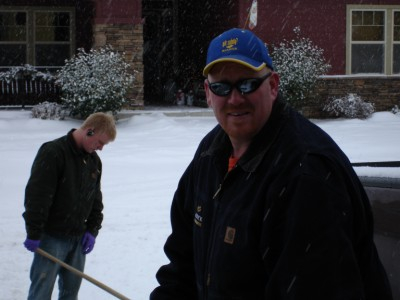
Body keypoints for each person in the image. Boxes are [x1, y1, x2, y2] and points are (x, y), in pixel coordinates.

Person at [150, 28, 393, 299]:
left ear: (273, 85)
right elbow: (183, 267)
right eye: (221, 87)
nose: (234, 98)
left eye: (247, 84)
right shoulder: (210, 153)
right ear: (208, 93)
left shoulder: (306, 174)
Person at [23, 112, 116, 299]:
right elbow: (37, 196)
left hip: (78, 238)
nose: (101, 148)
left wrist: (92, 229)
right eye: (100, 142)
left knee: (70, 293)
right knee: (41, 292)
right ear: (90, 131)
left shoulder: (93, 161)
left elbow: (95, 198)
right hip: (51, 238)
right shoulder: (53, 152)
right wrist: (34, 232)